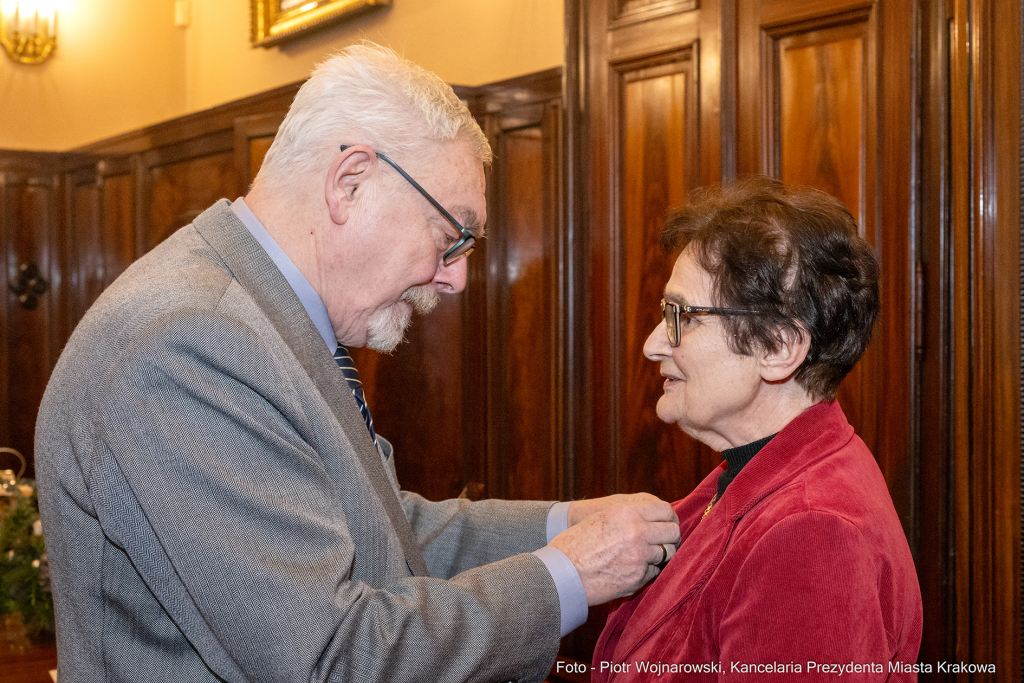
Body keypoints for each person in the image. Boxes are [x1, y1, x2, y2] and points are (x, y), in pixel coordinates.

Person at [34, 43, 681, 683]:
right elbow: (332, 659)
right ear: (351, 182)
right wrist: (567, 573)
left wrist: (565, 523)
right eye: (452, 236)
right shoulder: (189, 339)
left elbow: (379, 532)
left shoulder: (258, 313)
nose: (456, 279)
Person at [592, 178, 923, 681]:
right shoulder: (753, 472)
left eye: (682, 316)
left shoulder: (815, 530)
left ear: (778, 348)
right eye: (665, 313)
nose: (653, 344)